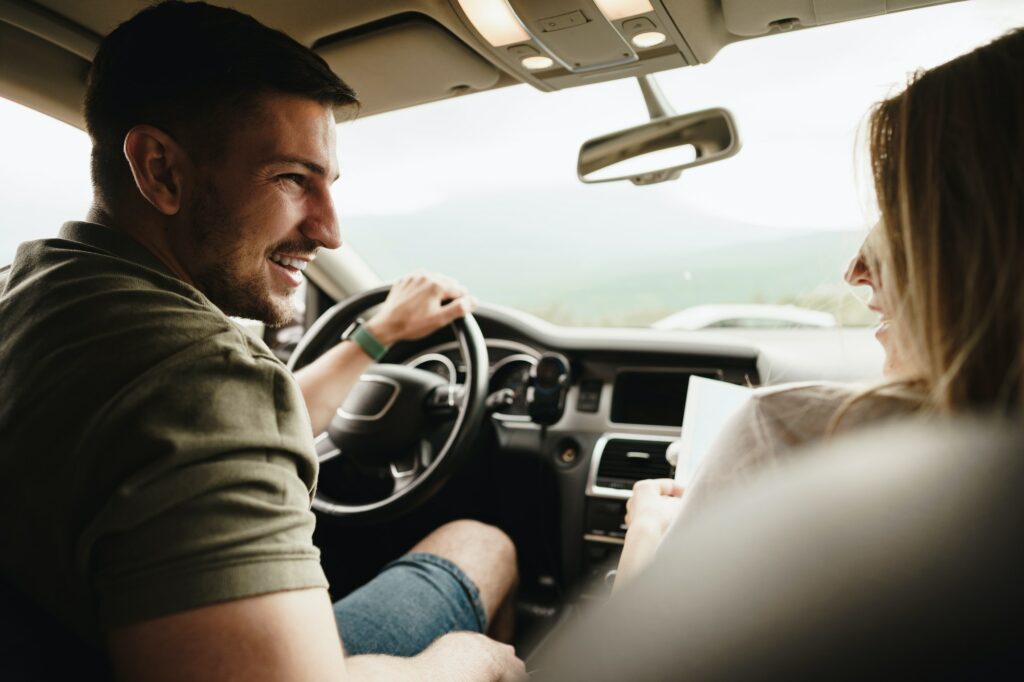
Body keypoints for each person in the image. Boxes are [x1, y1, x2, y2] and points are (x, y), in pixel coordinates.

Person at [0, 2, 524, 680]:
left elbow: (204, 435)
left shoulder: (36, 294)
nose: (330, 231)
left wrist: (379, 334)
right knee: (483, 545)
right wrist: (463, 662)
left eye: (328, 185)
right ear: (160, 170)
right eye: (292, 180)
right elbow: (211, 413)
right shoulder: (201, 379)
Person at [615, 26, 1024, 588]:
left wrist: (648, 533)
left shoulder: (788, 433)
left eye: (903, 212)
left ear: (987, 240)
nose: (855, 269)